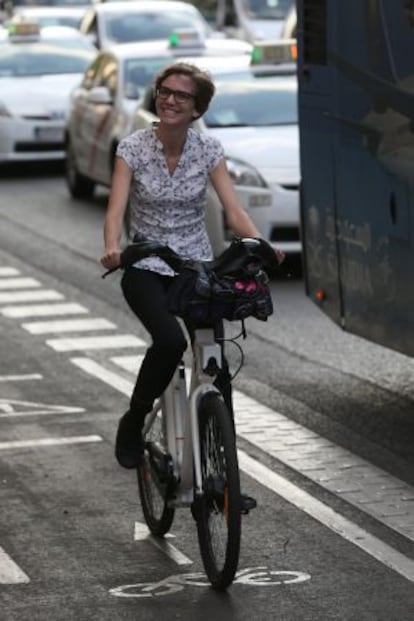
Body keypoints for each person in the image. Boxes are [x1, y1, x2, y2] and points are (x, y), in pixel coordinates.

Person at [100, 62, 283, 508]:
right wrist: (113, 247)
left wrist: (259, 242)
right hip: (145, 264)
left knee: (217, 370)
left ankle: (223, 479)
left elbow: (233, 210)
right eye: (165, 92)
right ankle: (135, 418)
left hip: (196, 268)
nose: (171, 100)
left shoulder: (208, 150)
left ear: (197, 108)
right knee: (167, 341)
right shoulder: (133, 147)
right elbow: (115, 206)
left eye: (182, 96)